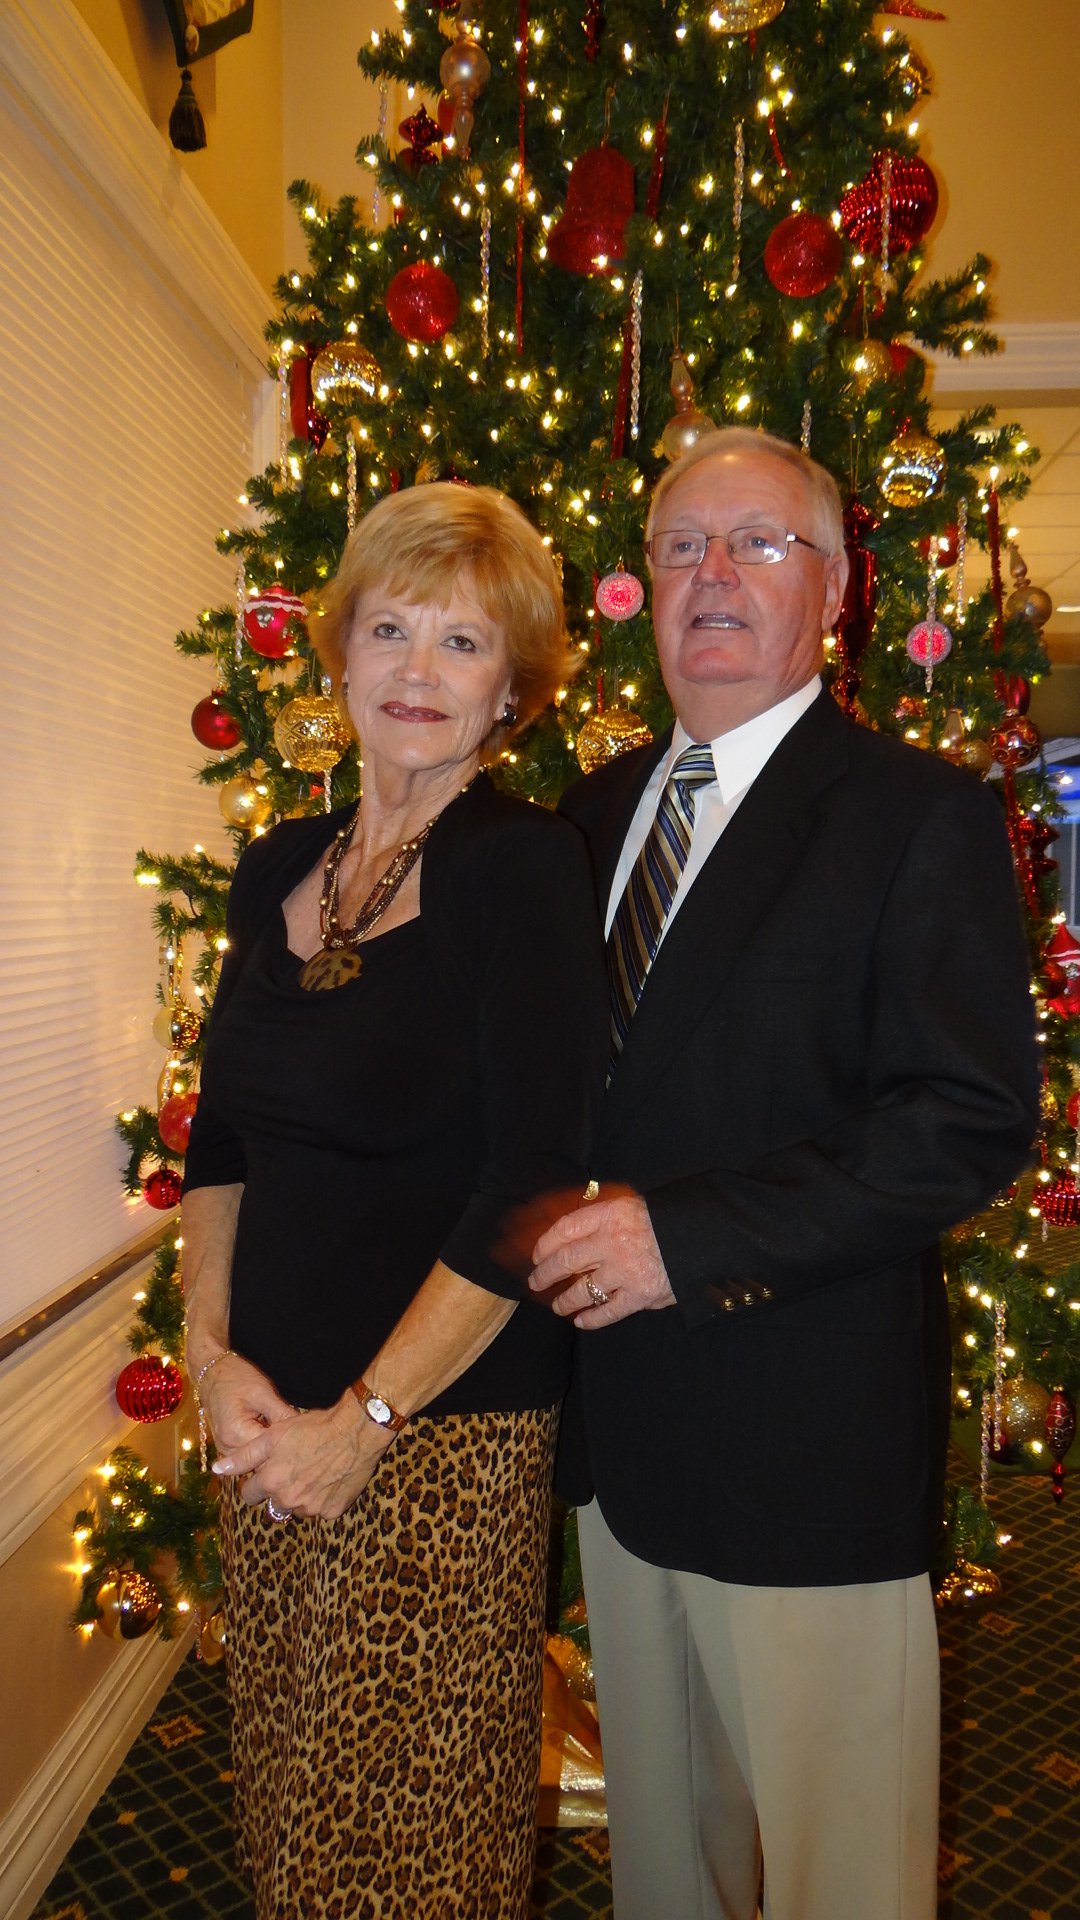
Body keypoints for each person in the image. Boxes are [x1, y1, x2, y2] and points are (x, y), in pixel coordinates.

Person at [529, 426, 1039, 1920]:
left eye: (760, 543)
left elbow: (964, 1118)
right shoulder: (586, 817)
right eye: (682, 545)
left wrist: (681, 1241)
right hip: (616, 1446)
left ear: (836, 589)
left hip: (804, 1444)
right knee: (663, 1864)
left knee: (840, 1877)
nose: (715, 574)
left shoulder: (918, 814)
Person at [181, 481, 608, 1920]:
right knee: (294, 1787)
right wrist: (210, 1356)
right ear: (342, 654)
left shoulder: (526, 867)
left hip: (439, 1434)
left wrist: (365, 1424)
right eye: (391, 630)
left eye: (463, 643)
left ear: (511, 690)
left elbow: (532, 1183)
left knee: (418, 1825)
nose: (419, 672)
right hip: (265, 1414)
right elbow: (222, 1139)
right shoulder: (275, 869)